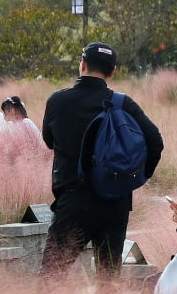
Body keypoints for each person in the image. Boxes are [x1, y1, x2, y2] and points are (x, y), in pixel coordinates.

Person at [40, 42, 164, 280]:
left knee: (52, 275)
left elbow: (49, 141)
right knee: (109, 280)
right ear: (112, 71)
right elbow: (155, 141)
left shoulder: (58, 101)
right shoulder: (122, 103)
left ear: (83, 64)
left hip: (74, 200)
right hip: (115, 200)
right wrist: (135, 178)